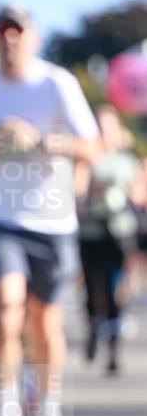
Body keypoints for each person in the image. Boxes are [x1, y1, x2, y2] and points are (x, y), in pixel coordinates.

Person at [0, 6, 99, 416]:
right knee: (5, 308)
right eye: (2, 33)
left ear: (33, 38)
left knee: (44, 323)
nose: (9, 41)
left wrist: (40, 141)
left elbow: (93, 146)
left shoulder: (56, 83)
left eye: (17, 33)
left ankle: (48, 414)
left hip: (52, 219)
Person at [77, 105, 145, 374]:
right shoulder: (85, 159)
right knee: (93, 288)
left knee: (116, 289)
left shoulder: (127, 161)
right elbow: (75, 193)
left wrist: (131, 196)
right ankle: (94, 325)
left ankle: (113, 348)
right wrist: (88, 192)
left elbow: (139, 194)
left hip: (119, 230)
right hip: (90, 231)